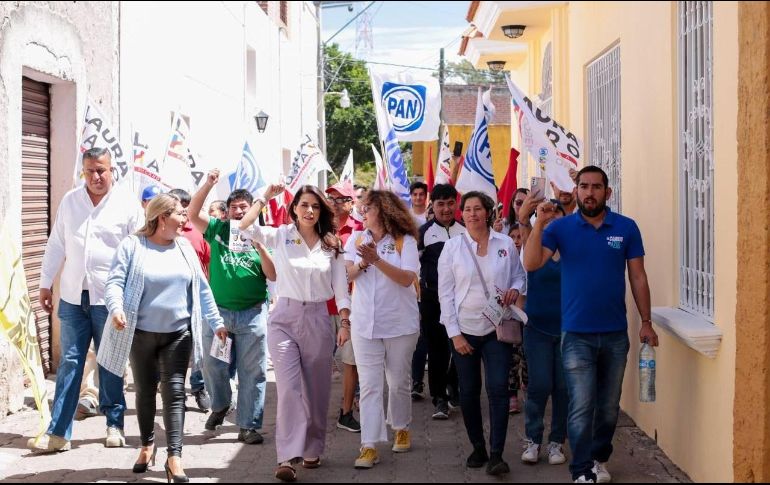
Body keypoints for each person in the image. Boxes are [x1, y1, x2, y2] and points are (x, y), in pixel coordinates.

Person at [523, 166, 659, 483]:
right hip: (576, 336)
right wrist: (540, 223)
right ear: (577, 189)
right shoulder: (561, 229)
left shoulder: (626, 228)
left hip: (615, 335)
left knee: (609, 408)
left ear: (607, 193)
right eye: (584, 186)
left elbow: (638, 276)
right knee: (582, 405)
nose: (589, 192)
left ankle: (599, 459)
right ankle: (581, 470)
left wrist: (647, 322)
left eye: (596, 187)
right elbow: (531, 264)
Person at [100, 194, 228, 481]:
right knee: (145, 392)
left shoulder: (184, 247)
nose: (185, 220)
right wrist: (116, 308)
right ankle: (147, 445)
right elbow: (114, 282)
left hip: (178, 335)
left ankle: (175, 456)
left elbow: (202, 289)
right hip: (140, 333)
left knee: (175, 394)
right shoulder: (133, 246)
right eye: (180, 214)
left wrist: (216, 321)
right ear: (161, 218)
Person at [29, 147, 142, 453]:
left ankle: (115, 424)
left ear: (112, 169)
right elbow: (56, 243)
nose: (95, 176)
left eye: (101, 170)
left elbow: (139, 251)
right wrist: (44, 283)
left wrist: (136, 296)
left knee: (110, 363)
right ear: (83, 171)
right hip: (71, 295)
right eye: (90, 170)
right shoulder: (70, 201)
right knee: (70, 362)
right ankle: (59, 432)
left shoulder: (127, 203)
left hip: (110, 299)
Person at [239, 184, 352, 482]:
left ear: (321, 210)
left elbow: (341, 288)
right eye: (304, 205)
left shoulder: (332, 244)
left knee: (316, 391)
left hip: (318, 319)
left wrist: (345, 322)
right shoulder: (280, 235)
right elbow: (244, 225)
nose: (309, 211)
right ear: (294, 208)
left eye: (315, 206)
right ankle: (286, 457)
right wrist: (264, 196)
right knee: (289, 389)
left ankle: (313, 448)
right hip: (284, 319)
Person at [438, 191, 526, 476]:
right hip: (464, 331)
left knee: (499, 389)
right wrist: (455, 335)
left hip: (497, 329)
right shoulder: (452, 248)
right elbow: (445, 294)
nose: (473, 214)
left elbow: (519, 276)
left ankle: (497, 453)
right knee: (469, 392)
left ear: (488, 212)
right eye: (468, 209)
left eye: (478, 209)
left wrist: (515, 289)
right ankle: (478, 446)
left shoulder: (505, 244)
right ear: (461, 214)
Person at [187, 170, 270, 445]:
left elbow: (274, 274)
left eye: (243, 208)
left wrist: (260, 246)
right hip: (219, 314)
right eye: (233, 208)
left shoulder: (265, 236)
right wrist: (208, 184)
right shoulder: (217, 230)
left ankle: (248, 425)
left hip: (253, 313)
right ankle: (221, 404)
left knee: (253, 372)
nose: (237, 212)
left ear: (254, 211)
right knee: (212, 366)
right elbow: (192, 212)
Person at [344, 190, 420, 469]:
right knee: (370, 387)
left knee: (398, 381)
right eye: (362, 209)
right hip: (364, 324)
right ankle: (369, 445)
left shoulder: (405, 241)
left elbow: (406, 279)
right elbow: (347, 274)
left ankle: (401, 426)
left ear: (384, 211)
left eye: (368, 208)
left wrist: (377, 260)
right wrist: (364, 262)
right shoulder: (356, 238)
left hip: (400, 324)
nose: (362, 213)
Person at [517, 201, 568, 467]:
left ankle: (557, 442)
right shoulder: (535, 243)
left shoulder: (572, 245)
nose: (550, 217)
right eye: (545, 212)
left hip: (568, 328)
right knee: (539, 386)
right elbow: (524, 227)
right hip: (537, 327)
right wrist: (534, 220)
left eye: (556, 212)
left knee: (563, 388)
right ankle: (533, 439)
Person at [412, 184, 465, 419]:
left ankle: (454, 386)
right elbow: (414, 267)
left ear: (456, 204)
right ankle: (439, 398)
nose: (445, 208)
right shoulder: (423, 233)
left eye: (450, 203)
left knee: (460, 347)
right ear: (432, 205)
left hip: (460, 299)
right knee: (436, 349)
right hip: (432, 298)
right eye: (440, 204)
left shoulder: (466, 232)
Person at [168, 188, 212, 413]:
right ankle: (176, 393)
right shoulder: (162, 232)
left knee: (198, 346)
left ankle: (199, 387)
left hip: (197, 300)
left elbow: (208, 263)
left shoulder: (198, 232)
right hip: (171, 301)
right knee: (174, 347)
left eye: (182, 209)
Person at [325, 181, 363, 434]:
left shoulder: (361, 230)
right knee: (316, 361)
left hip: (350, 306)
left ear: (352, 203)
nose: (336, 204)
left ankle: (346, 411)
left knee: (351, 362)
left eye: (341, 200)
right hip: (319, 304)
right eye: (332, 199)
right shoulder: (315, 228)